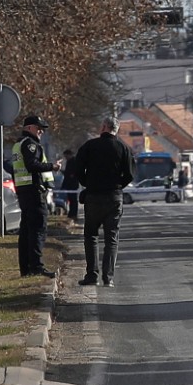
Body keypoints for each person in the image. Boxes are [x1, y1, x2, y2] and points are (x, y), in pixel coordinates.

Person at [76, 116, 136, 287]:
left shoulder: (90, 146)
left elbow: (78, 168)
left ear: (103, 127)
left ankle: (92, 275)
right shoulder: (123, 148)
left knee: (91, 236)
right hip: (114, 197)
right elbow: (130, 173)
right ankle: (108, 277)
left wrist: (87, 183)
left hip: (93, 197)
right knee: (111, 238)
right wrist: (118, 185)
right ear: (116, 130)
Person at [12, 115, 62, 278]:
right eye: (38, 127)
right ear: (28, 128)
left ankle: (26, 268)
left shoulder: (19, 144)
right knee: (38, 229)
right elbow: (32, 165)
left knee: (26, 230)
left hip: (24, 191)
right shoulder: (30, 145)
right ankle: (36, 267)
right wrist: (52, 166)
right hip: (33, 192)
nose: (41, 131)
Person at [61, 148, 79, 221]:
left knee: (73, 200)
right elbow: (67, 173)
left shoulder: (74, 161)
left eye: (66, 156)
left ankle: (73, 214)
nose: (65, 158)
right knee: (71, 199)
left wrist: (72, 175)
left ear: (70, 155)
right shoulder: (69, 162)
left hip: (73, 184)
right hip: (69, 183)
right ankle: (71, 213)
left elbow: (73, 172)